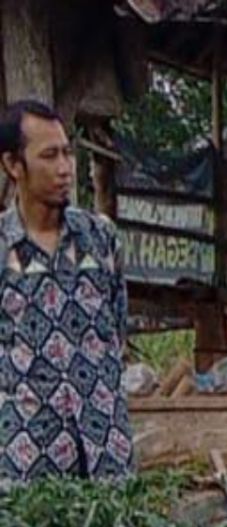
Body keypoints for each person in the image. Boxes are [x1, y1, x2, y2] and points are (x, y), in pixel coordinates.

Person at [0, 99, 134, 485]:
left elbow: (117, 326)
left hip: (105, 450)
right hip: (28, 460)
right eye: (49, 156)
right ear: (13, 165)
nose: (64, 169)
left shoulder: (100, 239)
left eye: (67, 153)